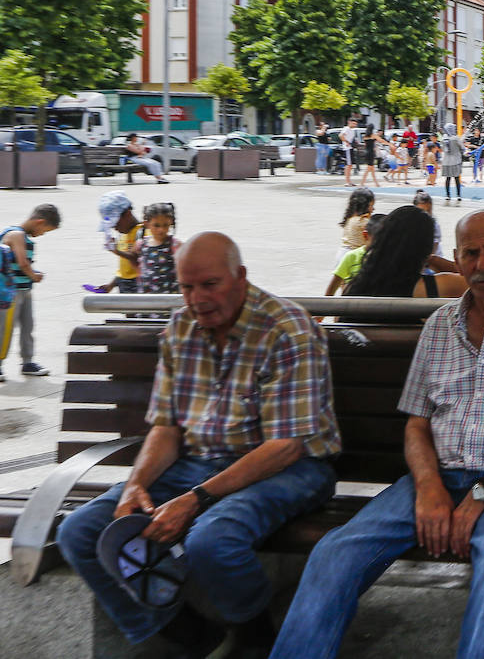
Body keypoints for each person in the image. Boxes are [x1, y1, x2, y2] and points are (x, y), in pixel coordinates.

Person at [272, 212, 484, 659]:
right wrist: (428, 487)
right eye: (470, 252)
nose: (483, 263)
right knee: (335, 553)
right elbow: (417, 424)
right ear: (456, 260)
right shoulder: (439, 325)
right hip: (440, 475)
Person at [57, 232, 341, 657]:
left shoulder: (287, 329)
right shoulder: (180, 327)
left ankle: (254, 632)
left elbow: (286, 446)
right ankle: (182, 631)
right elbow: (167, 426)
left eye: (210, 284)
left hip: (289, 467)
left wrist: (195, 499)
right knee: (79, 531)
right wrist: (138, 483)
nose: (196, 299)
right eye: (186, 286)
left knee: (210, 540)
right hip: (197, 461)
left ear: (240, 277)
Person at [0, 204, 59, 379]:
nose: (42, 234)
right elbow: (23, 263)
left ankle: (28, 362)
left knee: (28, 326)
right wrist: (34, 275)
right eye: (44, 230)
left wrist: (32, 276)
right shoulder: (16, 234)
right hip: (10, 293)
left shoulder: (22, 236)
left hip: (24, 290)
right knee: (4, 328)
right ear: (39, 222)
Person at [325, 212, 386, 296]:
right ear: (365, 235)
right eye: (378, 240)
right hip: (351, 305)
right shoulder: (351, 257)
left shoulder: (389, 258)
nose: (383, 244)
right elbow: (331, 289)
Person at [133, 203, 180, 295]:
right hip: (146, 298)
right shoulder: (141, 244)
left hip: (169, 297)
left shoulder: (174, 244)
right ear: (147, 224)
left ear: (170, 222)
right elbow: (132, 257)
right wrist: (139, 273)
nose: (161, 229)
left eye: (165, 225)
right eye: (156, 225)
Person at [413, 190, 459, 275]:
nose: (426, 214)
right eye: (422, 211)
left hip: (432, 260)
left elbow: (433, 248)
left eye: (429, 210)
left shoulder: (434, 225)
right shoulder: (411, 225)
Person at [337, 188, 374, 262]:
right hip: (354, 257)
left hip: (343, 253)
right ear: (364, 206)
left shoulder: (350, 218)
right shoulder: (362, 221)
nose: (373, 209)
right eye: (371, 206)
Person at [338, 118, 361, 186]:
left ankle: (349, 181)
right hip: (347, 148)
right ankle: (347, 181)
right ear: (349, 122)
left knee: (350, 165)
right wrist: (346, 142)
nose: (355, 125)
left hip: (350, 148)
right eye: (353, 123)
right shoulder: (346, 128)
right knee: (348, 165)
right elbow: (340, 135)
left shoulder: (352, 130)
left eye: (355, 124)